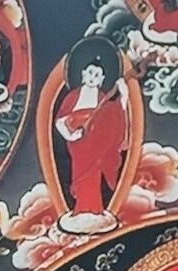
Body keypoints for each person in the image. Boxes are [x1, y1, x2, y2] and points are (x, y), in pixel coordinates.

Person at [48, 55, 132, 232]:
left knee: (94, 175)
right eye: (90, 73)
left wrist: (123, 99)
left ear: (102, 80)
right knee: (79, 173)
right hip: (78, 143)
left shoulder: (102, 98)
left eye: (97, 75)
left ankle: (94, 210)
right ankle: (80, 210)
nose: (93, 77)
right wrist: (71, 135)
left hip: (96, 144)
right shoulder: (73, 97)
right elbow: (60, 120)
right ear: (83, 74)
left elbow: (113, 118)